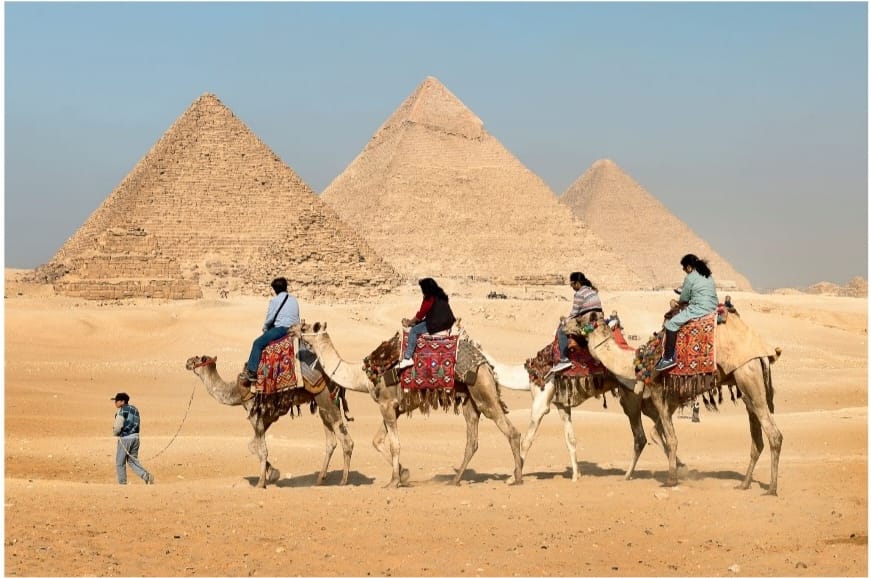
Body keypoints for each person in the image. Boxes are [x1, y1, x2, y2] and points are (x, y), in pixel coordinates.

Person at [655, 254, 719, 371]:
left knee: (671, 324)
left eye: (684, 268)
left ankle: (668, 358)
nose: (684, 271)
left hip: (700, 308)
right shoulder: (707, 275)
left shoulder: (690, 277)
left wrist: (675, 302)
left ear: (689, 267)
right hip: (712, 306)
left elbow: (684, 298)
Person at [245, 277, 300, 381]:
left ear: (275, 290)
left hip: (282, 329)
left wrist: (265, 328)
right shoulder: (294, 300)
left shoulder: (275, 301)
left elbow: (270, 318)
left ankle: (252, 372)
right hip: (295, 329)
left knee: (257, 343)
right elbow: (297, 318)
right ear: (286, 287)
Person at [550, 272, 603, 375]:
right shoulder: (592, 291)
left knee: (562, 330)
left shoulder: (579, 294)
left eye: (572, 284)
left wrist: (564, 321)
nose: (572, 287)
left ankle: (564, 359)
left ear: (577, 283)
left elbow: (574, 313)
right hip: (599, 321)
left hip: (588, 326)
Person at [398, 278, 456, 369]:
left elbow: (420, 315)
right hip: (447, 322)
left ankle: (407, 358)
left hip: (436, 324)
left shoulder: (429, 298)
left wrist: (409, 322)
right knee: (418, 324)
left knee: (413, 331)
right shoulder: (440, 294)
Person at [111, 392, 154, 485]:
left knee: (120, 462)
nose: (115, 403)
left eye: (116, 401)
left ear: (122, 401)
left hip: (125, 439)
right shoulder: (135, 409)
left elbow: (118, 426)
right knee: (132, 461)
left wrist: (115, 433)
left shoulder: (122, 411)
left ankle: (122, 483)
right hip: (136, 438)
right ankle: (147, 476)